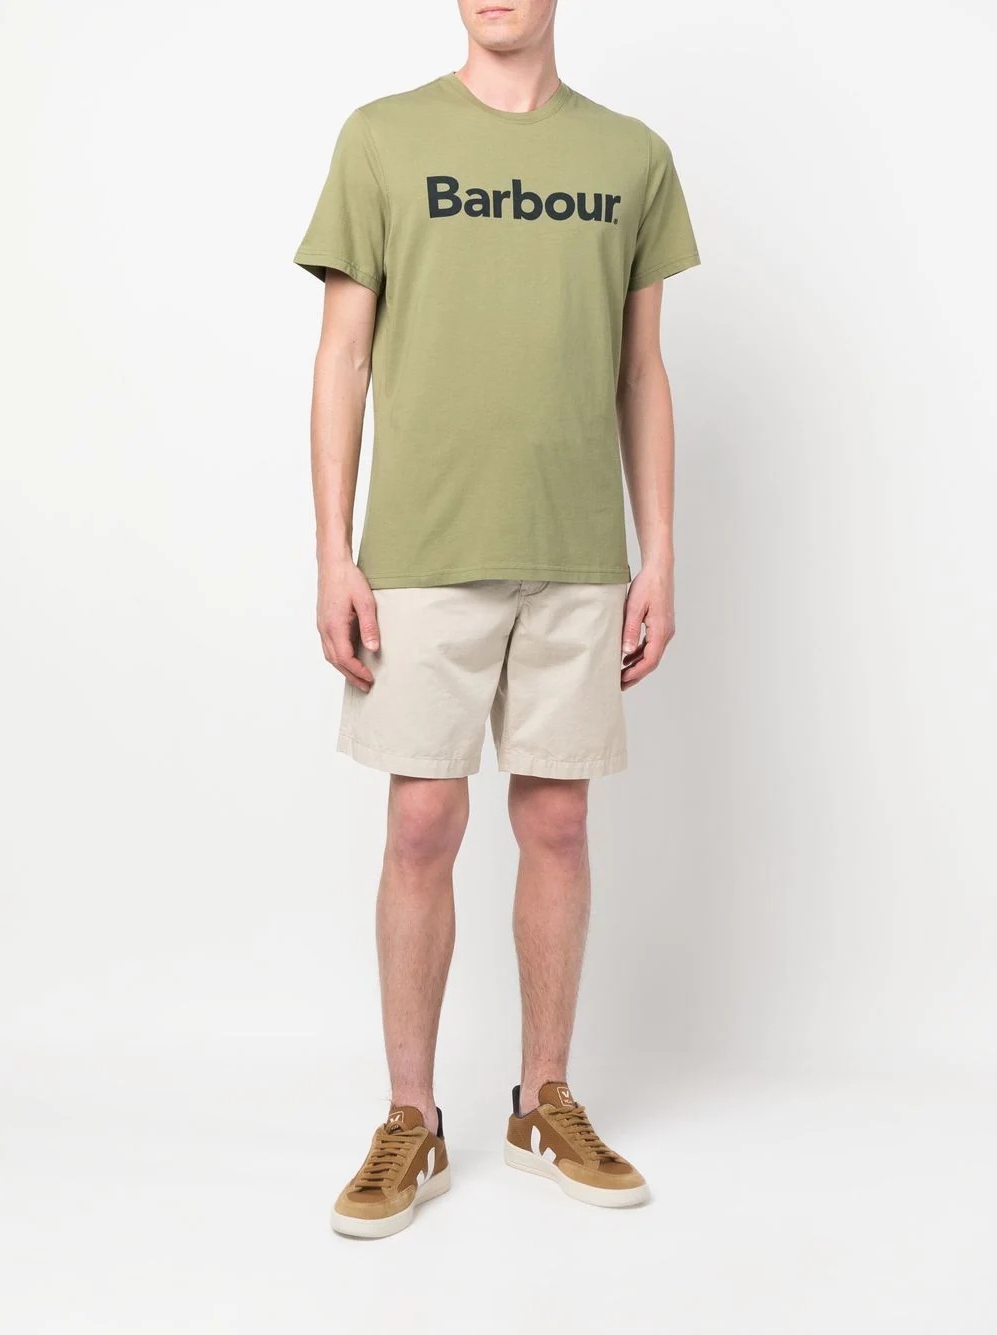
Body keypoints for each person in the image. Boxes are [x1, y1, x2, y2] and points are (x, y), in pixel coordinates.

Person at [292, 0, 699, 1240]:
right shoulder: (382, 137)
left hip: (575, 553)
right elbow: (342, 356)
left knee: (558, 823)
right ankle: (409, 1120)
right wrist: (333, 552)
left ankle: (543, 1101)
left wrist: (658, 553)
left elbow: (641, 369)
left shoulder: (629, 154)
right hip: (421, 549)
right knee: (422, 821)